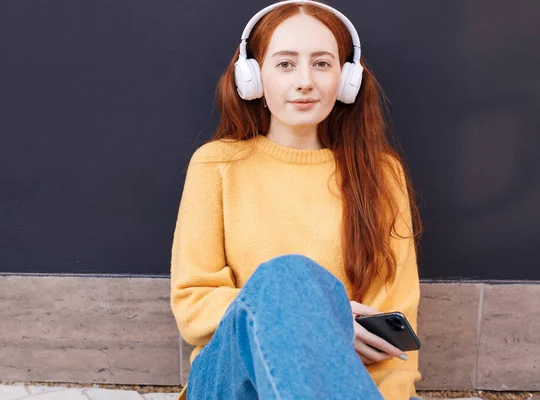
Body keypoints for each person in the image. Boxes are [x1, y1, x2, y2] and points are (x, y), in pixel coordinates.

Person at [170, 0, 423, 399]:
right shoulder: (216, 165)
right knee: (287, 277)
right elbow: (194, 305)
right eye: (286, 64)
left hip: (343, 386)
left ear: (346, 79)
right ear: (252, 76)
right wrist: (317, 316)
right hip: (229, 380)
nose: (305, 81)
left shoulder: (381, 173)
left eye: (321, 64)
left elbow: (393, 331)